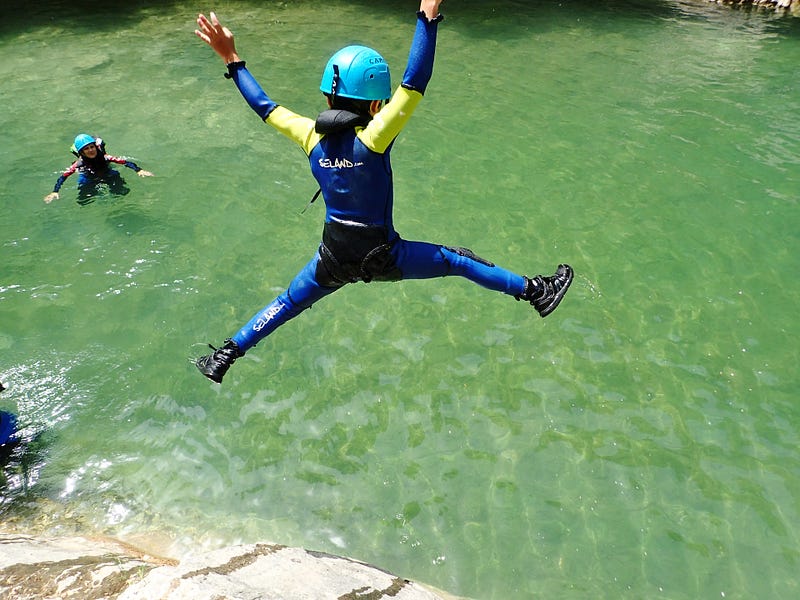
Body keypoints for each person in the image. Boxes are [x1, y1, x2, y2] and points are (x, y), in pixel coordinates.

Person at [193, 0, 573, 384]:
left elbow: (265, 106)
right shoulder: (375, 138)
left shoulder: (309, 136)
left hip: (333, 258)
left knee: (288, 303)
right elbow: (414, 83)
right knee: (458, 260)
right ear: (376, 104)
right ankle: (535, 291)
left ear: (328, 97)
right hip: (384, 256)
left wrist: (232, 57)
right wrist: (427, 17)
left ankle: (225, 355)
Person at [44, 134, 153, 205]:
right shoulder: (79, 164)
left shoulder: (106, 157)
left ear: (96, 147)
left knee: (122, 192)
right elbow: (63, 177)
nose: (90, 150)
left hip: (107, 173)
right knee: (83, 201)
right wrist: (55, 191)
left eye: (92, 147)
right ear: (81, 153)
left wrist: (139, 170)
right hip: (87, 176)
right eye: (86, 149)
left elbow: (125, 162)